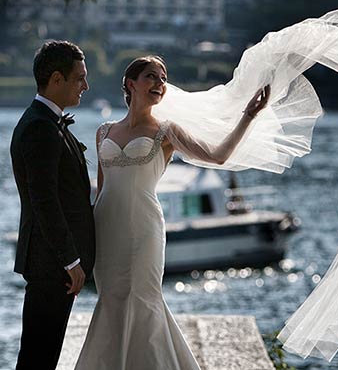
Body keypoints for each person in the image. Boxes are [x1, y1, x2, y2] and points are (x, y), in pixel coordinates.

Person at [74, 56, 270, 369]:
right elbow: (100, 189)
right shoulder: (103, 132)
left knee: (143, 298)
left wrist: (247, 117)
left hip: (144, 228)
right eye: (151, 77)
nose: (159, 84)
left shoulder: (167, 131)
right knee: (111, 298)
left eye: (163, 79)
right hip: (106, 228)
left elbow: (218, 156)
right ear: (131, 84)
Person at [10, 41, 95, 370]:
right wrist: (70, 260)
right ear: (56, 79)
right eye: (79, 78)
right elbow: (43, 200)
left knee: (41, 356)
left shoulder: (47, 122)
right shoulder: (40, 128)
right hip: (51, 265)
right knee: (37, 359)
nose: (85, 86)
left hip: (52, 264)